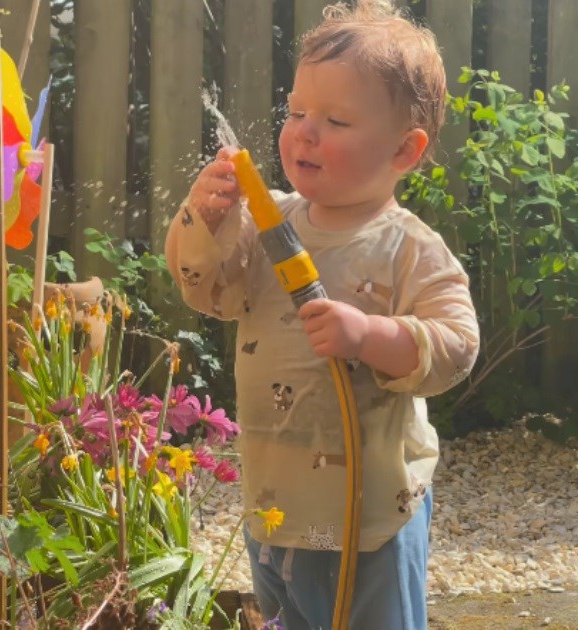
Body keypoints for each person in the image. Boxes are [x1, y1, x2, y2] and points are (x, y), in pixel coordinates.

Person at [165, 1, 479, 627]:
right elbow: (207, 291)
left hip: (368, 518)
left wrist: (371, 334)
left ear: (404, 151)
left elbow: (457, 344)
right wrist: (202, 219)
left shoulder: (407, 246)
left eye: (334, 120)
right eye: (296, 112)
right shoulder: (266, 220)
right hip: (275, 505)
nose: (304, 131)